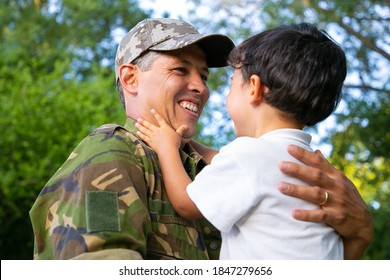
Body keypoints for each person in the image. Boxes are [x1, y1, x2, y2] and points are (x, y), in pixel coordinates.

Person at [29, 18, 373, 260]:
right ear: (131, 78)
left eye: (205, 75)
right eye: (181, 70)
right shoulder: (111, 154)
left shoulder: (211, 166)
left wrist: (358, 234)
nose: (202, 87)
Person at [135, 22, 350, 259]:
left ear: (254, 88)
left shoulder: (248, 156)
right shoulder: (310, 165)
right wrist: (183, 141)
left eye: (232, 84)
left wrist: (167, 148)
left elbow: (187, 204)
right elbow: (231, 163)